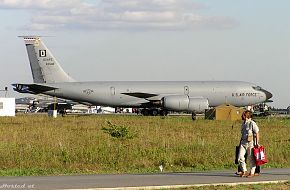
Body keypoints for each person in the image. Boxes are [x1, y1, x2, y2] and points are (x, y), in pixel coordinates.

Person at [237, 110, 260, 177]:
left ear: (246, 116)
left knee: (251, 158)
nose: (241, 116)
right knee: (240, 157)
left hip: (250, 143)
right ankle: (244, 171)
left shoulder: (252, 123)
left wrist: (257, 143)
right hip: (243, 142)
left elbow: (257, 132)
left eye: (243, 115)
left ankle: (252, 172)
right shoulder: (243, 123)